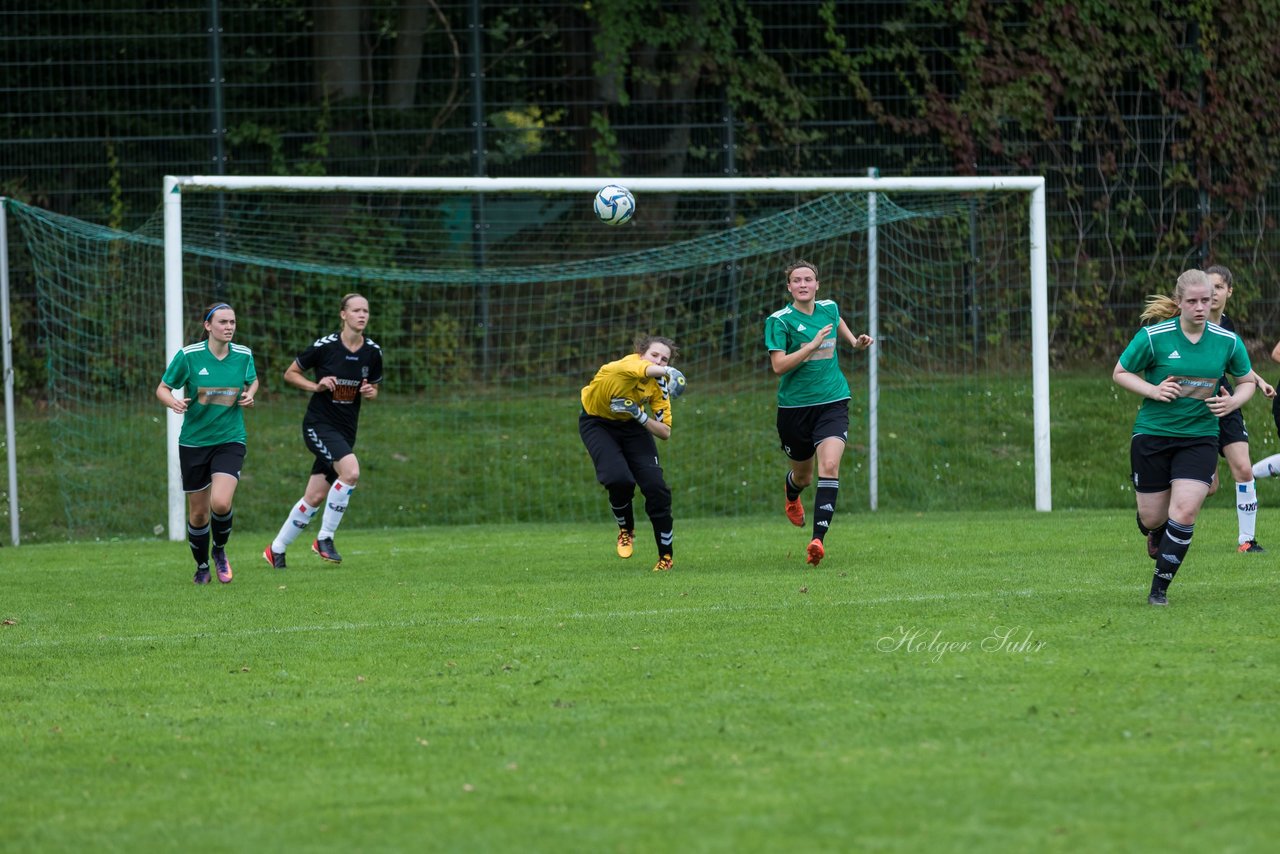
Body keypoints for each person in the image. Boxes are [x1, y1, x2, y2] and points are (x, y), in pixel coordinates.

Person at [1113, 269, 1256, 606]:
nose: (1200, 307)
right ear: (1178, 302)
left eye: (1206, 300)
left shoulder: (1226, 340)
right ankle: (1154, 529)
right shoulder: (1154, 336)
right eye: (1192, 301)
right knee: (1152, 517)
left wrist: (1234, 400)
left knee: (1187, 510)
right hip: (1153, 434)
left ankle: (1158, 590)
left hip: (1200, 437)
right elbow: (1120, 372)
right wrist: (1153, 389)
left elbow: (1247, 379)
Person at [764, 260, 874, 567]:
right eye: (796, 280)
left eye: (808, 279)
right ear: (789, 287)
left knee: (829, 464)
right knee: (804, 475)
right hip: (794, 409)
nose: (802, 284)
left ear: (817, 285)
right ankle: (791, 492)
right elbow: (778, 367)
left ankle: (817, 541)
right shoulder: (779, 320)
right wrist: (811, 346)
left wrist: (855, 341)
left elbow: (837, 322)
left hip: (832, 401)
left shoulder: (829, 308)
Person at [264, 293, 382, 569]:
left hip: (345, 430)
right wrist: (314, 386)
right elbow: (290, 373)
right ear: (343, 314)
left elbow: (374, 390)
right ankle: (324, 538)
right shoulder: (325, 347)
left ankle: (276, 549)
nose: (362, 315)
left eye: (365, 310)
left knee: (315, 496)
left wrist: (370, 391)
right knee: (351, 472)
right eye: (356, 310)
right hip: (319, 425)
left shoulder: (372, 352)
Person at [155, 302, 258, 585]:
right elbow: (162, 389)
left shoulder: (243, 355)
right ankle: (201, 566)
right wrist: (173, 402)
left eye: (232, 322)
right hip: (194, 443)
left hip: (230, 439)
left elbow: (253, 380)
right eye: (223, 322)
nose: (229, 327)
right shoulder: (189, 356)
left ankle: (219, 551)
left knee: (221, 503)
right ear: (208, 326)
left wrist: (249, 394)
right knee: (199, 514)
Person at [579, 335, 687, 572]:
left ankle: (665, 557)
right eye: (655, 355)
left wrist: (639, 416)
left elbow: (665, 431)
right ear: (641, 354)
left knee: (656, 488)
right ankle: (626, 529)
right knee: (618, 479)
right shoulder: (623, 367)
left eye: (665, 359)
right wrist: (669, 370)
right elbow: (641, 369)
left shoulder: (659, 385)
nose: (659, 361)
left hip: (632, 424)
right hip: (598, 423)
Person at [1203, 264, 1276, 552]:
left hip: (1227, 401)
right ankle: (1158, 511)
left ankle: (1246, 541)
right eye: (1207, 289)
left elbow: (1238, 365)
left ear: (1229, 291)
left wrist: (1258, 382)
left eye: (1218, 288)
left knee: (1243, 469)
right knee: (1208, 488)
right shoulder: (1192, 324)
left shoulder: (1228, 326)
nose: (1212, 294)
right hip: (1198, 407)